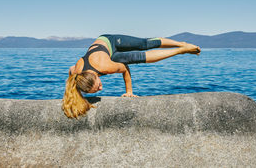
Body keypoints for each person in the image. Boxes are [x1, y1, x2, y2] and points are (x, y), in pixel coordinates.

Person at [61, 34, 201, 118]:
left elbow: (124, 69)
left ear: (96, 76)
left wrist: (129, 92)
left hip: (110, 41)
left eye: (99, 86)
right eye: (97, 90)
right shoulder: (76, 75)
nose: (101, 89)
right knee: (136, 58)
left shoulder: (106, 67)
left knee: (143, 46)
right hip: (109, 55)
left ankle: (181, 46)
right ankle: (181, 49)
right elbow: (70, 70)